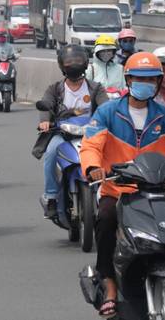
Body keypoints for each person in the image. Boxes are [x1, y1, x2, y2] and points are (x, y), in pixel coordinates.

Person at [80, 52, 165, 319]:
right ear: (128, 80)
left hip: (160, 189)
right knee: (106, 218)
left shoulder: (164, 115)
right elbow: (91, 144)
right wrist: (93, 168)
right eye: (140, 79)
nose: (146, 84)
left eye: (151, 79)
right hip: (119, 190)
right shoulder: (108, 112)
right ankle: (108, 285)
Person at [33, 44, 108, 218]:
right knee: (51, 153)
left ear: (85, 63)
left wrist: (109, 120)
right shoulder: (55, 89)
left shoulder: (95, 88)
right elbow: (46, 104)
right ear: (61, 64)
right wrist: (45, 122)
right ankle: (51, 196)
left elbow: (106, 107)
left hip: (91, 134)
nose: (74, 64)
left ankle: (109, 192)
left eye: (78, 60)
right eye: (69, 61)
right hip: (63, 134)